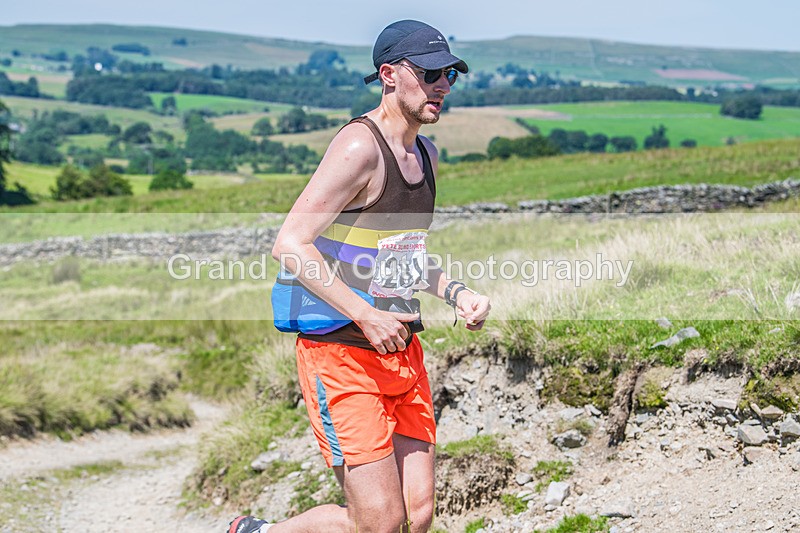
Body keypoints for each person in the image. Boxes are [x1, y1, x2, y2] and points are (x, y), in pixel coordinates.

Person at [229, 19, 491, 533]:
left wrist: (457, 293)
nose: (443, 85)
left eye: (451, 74)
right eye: (430, 73)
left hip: (401, 350)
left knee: (416, 516)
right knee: (380, 523)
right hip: (340, 353)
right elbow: (290, 244)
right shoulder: (359, 147)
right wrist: (366, 314)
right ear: (389, 74)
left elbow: (398, 258)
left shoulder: (427, 154)